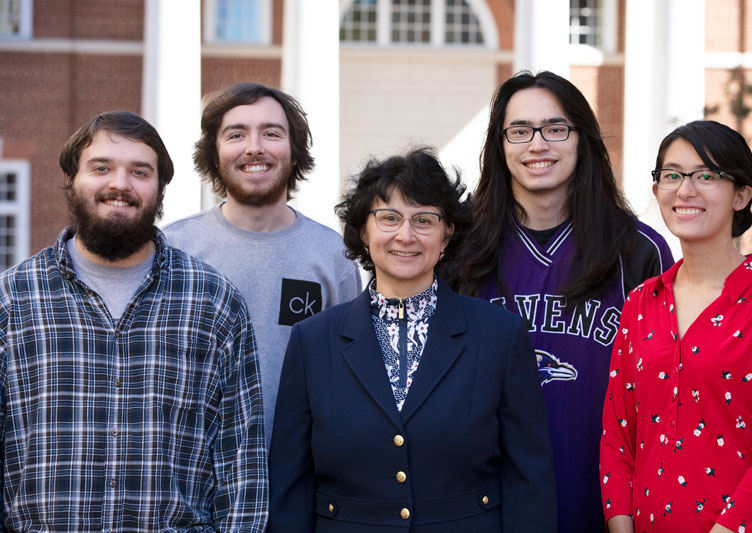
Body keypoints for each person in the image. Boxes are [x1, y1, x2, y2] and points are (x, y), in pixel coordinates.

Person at [0, 111, 268, 531]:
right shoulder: (12, 300)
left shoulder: (213, 301)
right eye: (101, 167)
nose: (120, 184)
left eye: (140, 172)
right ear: (71, 178)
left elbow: (242, 467)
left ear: (160, 189)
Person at [267, 148, 556, 532]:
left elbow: (529, 478)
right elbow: (291, 485)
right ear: (363, 230)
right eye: (388, 218)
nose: (405, 235)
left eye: (424, 219)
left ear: (447, 232)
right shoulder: (312, 341)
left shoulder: (499, 335)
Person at [453, 70, 674, 532]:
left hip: (607, 510)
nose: (538, 144)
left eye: (556, 128)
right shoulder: (459, 247)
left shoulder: (638, 251)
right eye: (520, 130)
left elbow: (660, 401)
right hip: (484, 509)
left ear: (582, 138)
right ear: (500, 143)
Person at [600, 120, 752, 532]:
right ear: (657, 191)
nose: (685, 190)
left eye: (706, 176)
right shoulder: (640, 304)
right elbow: (617, 436)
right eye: (671, 175)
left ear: (741, 195)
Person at [163, 83, 362, 450]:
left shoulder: (333, 255)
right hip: (192, 480)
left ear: (294, 151)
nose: (254, 146)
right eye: (236, 134)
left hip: (299, 478)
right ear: (214, 153)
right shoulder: (173, 249)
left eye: (271, 133)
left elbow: (350, 376)